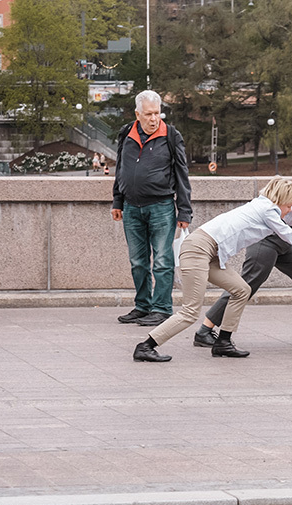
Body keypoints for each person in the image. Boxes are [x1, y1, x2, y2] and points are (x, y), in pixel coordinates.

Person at [132, 177, 292, 362]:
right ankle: (146, 346)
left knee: (241, 290)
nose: (290, 210)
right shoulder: (268, 211)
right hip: (198, 250)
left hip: (211, 253)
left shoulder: (264, 204)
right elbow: (290, 236)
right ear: (281, 201)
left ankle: (223, 342)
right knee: (190, 311)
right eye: (289, 205)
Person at [192, 155, 292, 348]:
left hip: (285, 240)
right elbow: (288, 204)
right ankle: (204, 330)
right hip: (268, 238)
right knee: (247, 284)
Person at [112, 90, 192, 327]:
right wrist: (117, 201)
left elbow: (182, 174)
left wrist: (184, 210)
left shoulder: (171, 135)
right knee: (137, 262)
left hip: (161, 207)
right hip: (131, 207)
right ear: (138, 114)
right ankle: (143, 306)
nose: (153, 118)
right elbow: (120, 168)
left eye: (157, 113)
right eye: (148, 114)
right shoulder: (126, 133)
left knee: (162, 261)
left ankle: (161, 308)